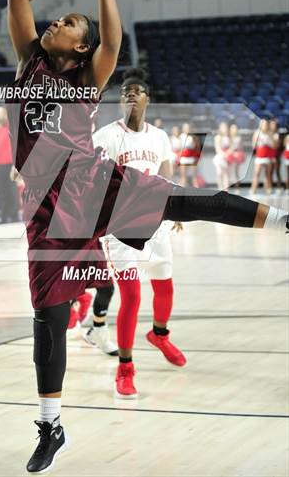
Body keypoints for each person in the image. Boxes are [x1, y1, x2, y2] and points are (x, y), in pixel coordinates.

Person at [7, 0, 288, 473]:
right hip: (46, 207)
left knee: (188, 201)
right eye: (59, 20)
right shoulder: (29, 63)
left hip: (90, 181)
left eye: (68, 23)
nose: (54, 24)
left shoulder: (85, 78)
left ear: (81, 48)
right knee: (48, 316)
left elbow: (111, 41)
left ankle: (282, 219)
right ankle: (51, 425)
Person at [84, 68, 185, 399]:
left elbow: (167, 175)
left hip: (156, 222)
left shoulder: (159, 137)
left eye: (137, 90)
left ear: (147, 99)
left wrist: (177, 209)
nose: (130, 94)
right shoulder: (105, 136)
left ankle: (159, 334)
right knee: (131, 295)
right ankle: (125, 368)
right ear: (120, 100)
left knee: (164, 284)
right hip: (121, 227)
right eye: (126, 90)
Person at [250, 119, 274, 195]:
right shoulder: (257, 133)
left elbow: (273, 145)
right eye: (262, 124)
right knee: (257, 173)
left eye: (265, 124)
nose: (264, 126)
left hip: (268, 155)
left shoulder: (270, 133)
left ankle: (268, 189)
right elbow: (253, 145)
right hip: (259, 155)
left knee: (268, 174)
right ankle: (253, 189)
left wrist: (267, 144)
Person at [179, 122, 201, 187]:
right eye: (185, 128)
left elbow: (196, 147)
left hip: (192, 157)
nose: (186, 129)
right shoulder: (181, 136)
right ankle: (182, 191)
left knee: (194, 176)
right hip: (184, 157)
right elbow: (180, 148)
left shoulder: (193, 136)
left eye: (187, 128)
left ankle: (196, 190)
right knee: (183, 176)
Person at [213, 122, 231, 191]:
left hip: (227, 156)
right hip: (220, 157)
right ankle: (220, 188)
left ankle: (226, 189)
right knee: (219, 172)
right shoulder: (218, 137)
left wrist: (228, 153)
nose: (224, 129)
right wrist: (224, 154)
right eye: (223, 128)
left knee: (226, 173)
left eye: (225, 128)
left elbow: (231, 147)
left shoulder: (229, 137)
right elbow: (217, 148)